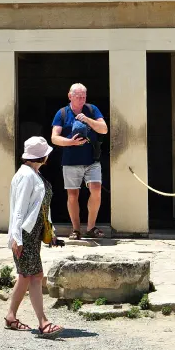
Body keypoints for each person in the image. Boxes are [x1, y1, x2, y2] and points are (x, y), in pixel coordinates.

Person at [3, 136, 62, 338]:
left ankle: (11, 316)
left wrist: (50, 232)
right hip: (25, 235)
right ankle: (43, 322)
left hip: (32, 233)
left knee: (25, 276)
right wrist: (17, 238)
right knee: (35, 276)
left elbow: (41, 207)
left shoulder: (33, 174)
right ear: (43, 157)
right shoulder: (26, 176)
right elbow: (19, 209)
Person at [50, 83, 108, 239]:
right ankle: (76, 229)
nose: (82, 100)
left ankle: (91, 227)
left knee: (96, 189)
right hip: (70, 161)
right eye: (78, 97)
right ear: (70, 96)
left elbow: (104, 129)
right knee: (73, 194)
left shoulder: (92, 110)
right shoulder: (62, 113)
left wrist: (87, 119)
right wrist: (71, 142)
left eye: (84, 96)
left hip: (92, 160)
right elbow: (54, 138)